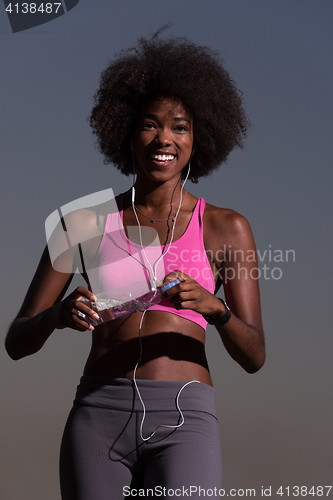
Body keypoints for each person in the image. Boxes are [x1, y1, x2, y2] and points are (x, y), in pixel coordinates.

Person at [5, 31, 265, 500]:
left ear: (197, 138)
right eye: (150, 124)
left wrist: (217, 309)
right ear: (127, 131)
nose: (164, 138)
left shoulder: (227, 228)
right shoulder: (80, 224)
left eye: (180, 127)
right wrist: (55, 316)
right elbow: (16, 342)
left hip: (186, 419)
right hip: (98, 416)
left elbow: (255, 356)